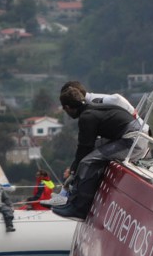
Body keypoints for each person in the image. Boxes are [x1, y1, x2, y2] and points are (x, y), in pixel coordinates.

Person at [50, 83, 145, 221]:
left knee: (88, 162)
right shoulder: (92, 108)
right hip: (133, 137)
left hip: (133, 142)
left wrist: (73, 172)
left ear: (67, 107)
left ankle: (79, 210)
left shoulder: (86, 117)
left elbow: (84, 148)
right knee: (87, 159)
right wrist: (74, 169)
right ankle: (72, 201)